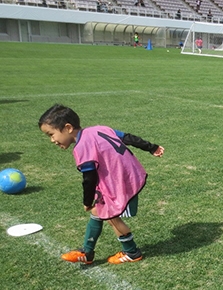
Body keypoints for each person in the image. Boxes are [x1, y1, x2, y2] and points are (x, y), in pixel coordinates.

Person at [38, 104, 164, 265]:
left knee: (112, 217)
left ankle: (132, 252)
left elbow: (89, 179)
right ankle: (87, 252)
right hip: (129, 175)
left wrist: (87, 201)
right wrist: (151, 148)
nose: (52, 140)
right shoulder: (100, 129)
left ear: (68, 128)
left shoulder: (82, 147)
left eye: (51, 134)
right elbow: (128, 138)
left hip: (119, 182)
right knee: (99, 210)